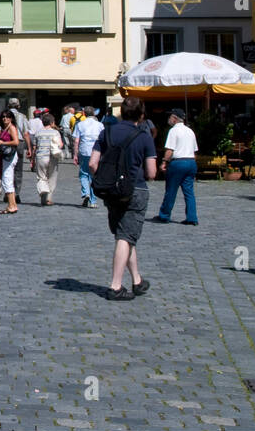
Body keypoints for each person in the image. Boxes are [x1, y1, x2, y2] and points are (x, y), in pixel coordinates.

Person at [89, 96, 157, 300]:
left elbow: (92, 164)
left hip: (110, 190)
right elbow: (152, 172)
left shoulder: (106, 132)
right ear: (142, 115)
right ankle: (116, 286)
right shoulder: (143, 136)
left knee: (125, 235)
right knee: (125, 237)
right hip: (134, 189)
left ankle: (137, 280)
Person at [154, 109, 199, 226]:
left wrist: (164, 162)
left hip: (178, 163)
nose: (169, 119)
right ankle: (192, 217)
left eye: (170, 117)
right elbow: (194, 151)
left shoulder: (173, 131)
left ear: (174, 118)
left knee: (171, 190)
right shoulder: (190, 131)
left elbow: (170, 150)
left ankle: (164, 215)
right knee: (189, 192)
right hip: (190, 162)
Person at [74, 106, 104, 207]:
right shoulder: (100, 125)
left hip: (84, 150)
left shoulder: (80, 124)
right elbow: (103, 140)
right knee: (93, 175)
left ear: (84, 114)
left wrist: (75, 154)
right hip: (96, 151)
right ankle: (93, 201)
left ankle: (85, 193)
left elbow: (76, 140)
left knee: (83, 173)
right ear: (94, 114)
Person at [32, 112, 62, 206]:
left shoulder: (38, 133)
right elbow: (60, 144)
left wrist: (32, 159)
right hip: (52, 157)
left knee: (41, 177)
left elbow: (34, 147)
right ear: (52, 122)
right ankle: (48, 198)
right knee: (52, 178)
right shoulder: (55, 132)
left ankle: (43, 194)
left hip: (40, 157)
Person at [0, 108, 22, 214]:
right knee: (7, 179)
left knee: (7, 180)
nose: (4, 118)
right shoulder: (5, 128)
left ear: (11, 118)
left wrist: (2, 143)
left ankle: (11, 205)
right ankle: (13, 205)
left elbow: (16, 142)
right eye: (3, 117)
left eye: (7, 117)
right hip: (4, 156)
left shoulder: (11, 127)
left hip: (9, 156)